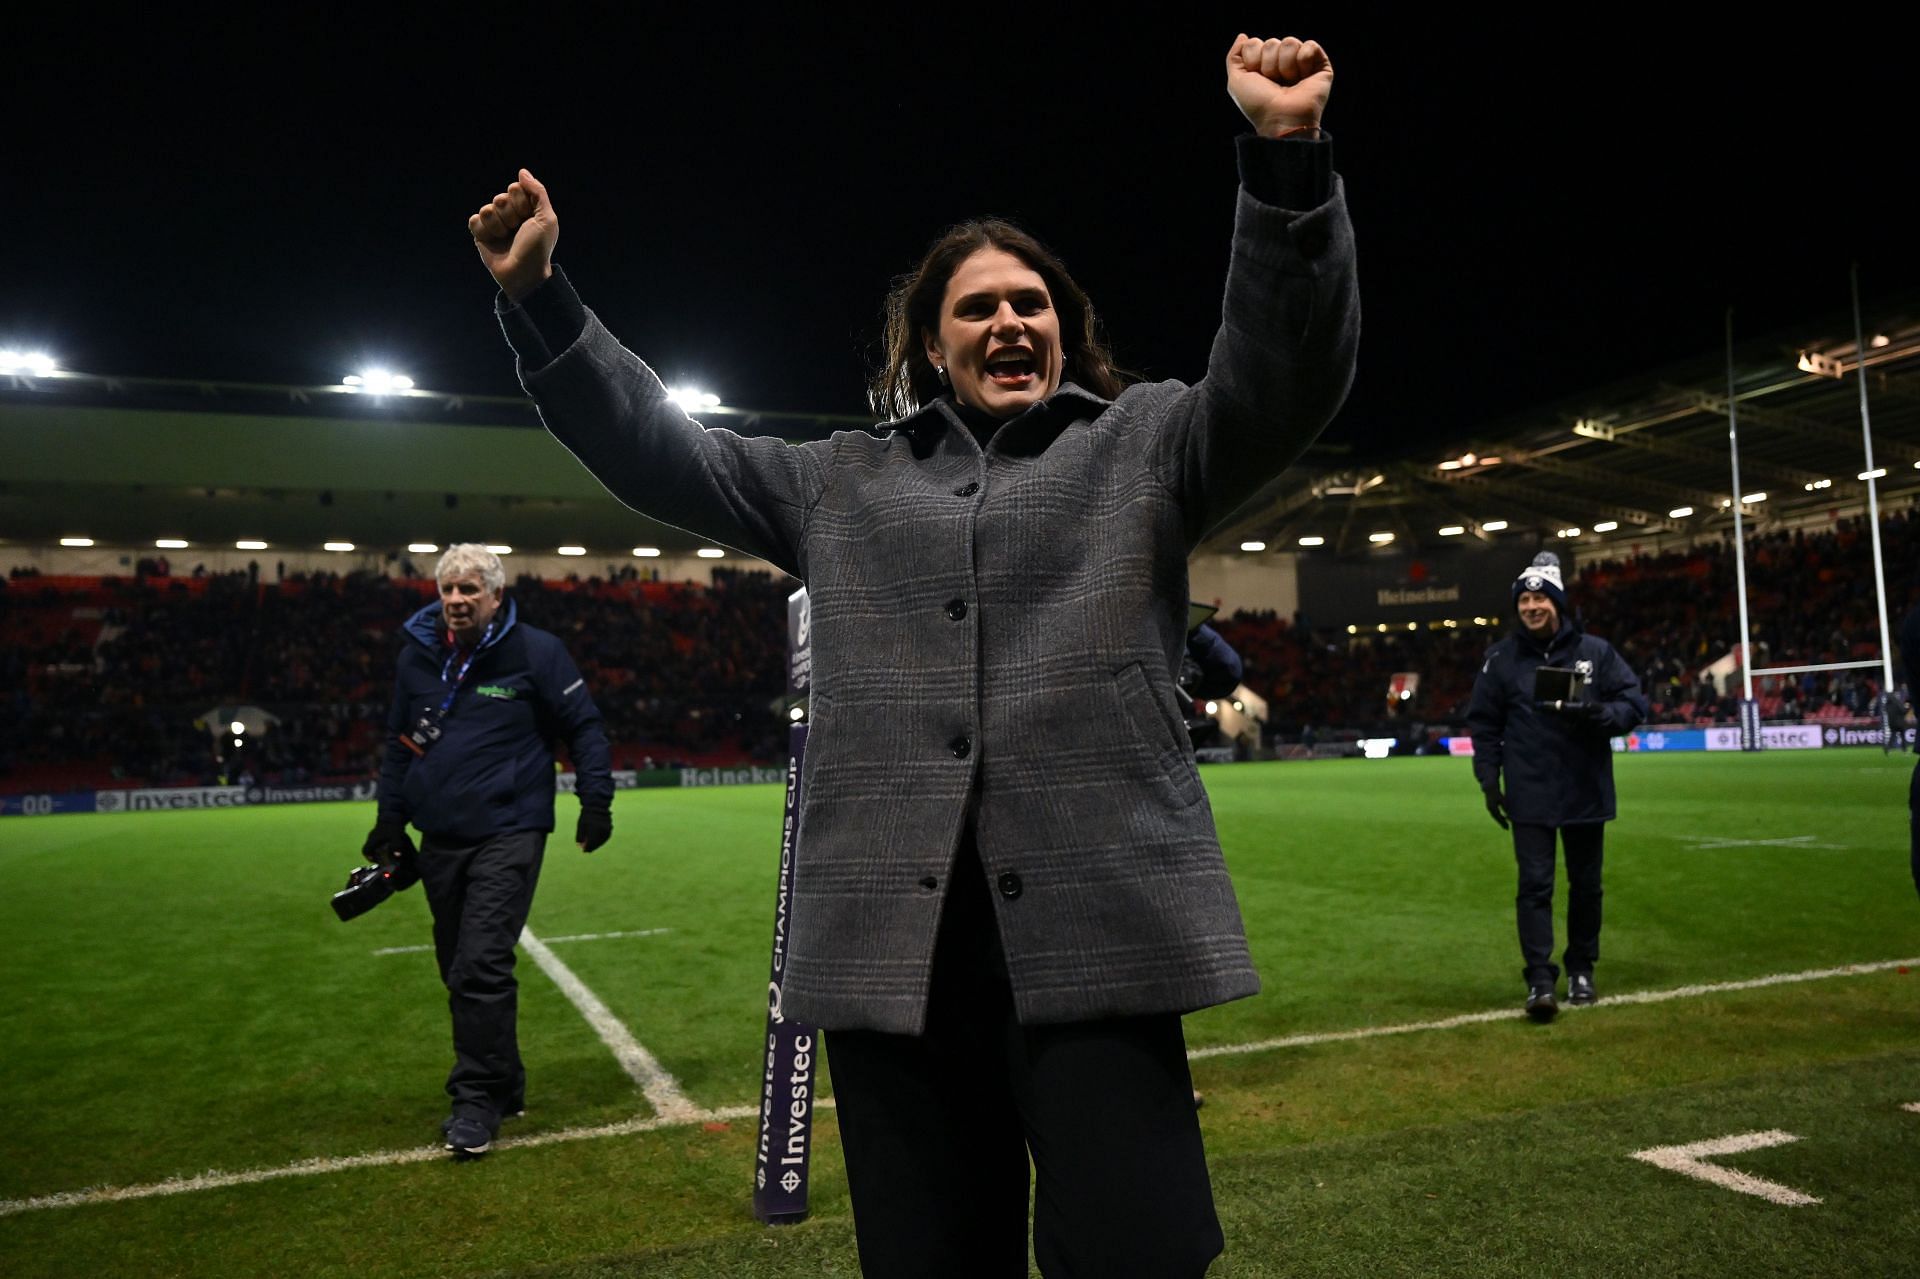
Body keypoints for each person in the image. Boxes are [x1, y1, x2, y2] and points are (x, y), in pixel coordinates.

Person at [469, 33, 1356, 1276]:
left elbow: (1286, 376)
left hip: (1101, 931)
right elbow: (669, 453)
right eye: (977, 307)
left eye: (1032, 303)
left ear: (1065, 329)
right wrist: (545, 303)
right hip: (895, 950)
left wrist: (1287, 162)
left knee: (1140, 1251)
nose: (1009, 321)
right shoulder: (839, 481)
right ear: (931, 348)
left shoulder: (1147, 445)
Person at [364, 543, 615, 1158]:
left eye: (469, 590)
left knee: (479, 964)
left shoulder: (537, 652)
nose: (456, 600)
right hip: (439, 838)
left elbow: (584, 726)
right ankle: (504, 1083)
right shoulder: (416, 659)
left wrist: (595, 801)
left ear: (496, 596)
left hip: (511, 827)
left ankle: (474, 1101)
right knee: (458, 970)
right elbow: (400, 746)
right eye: (448, 590)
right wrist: (390, 821)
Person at [1466, 551, 1648, 1022]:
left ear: (1558, 604)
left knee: (1586, 886)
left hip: (1585, 788)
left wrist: (1603, 715)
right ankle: (1540, 981)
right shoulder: (1500, 661)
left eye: (1539, 598)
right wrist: (1489, 779)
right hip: (1529, 793)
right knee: (1535, 888)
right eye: (1524, 599)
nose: (1531, 607)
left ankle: (1582, 968)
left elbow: (1633, 702)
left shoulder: (1596, 653)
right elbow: (1483, 725)